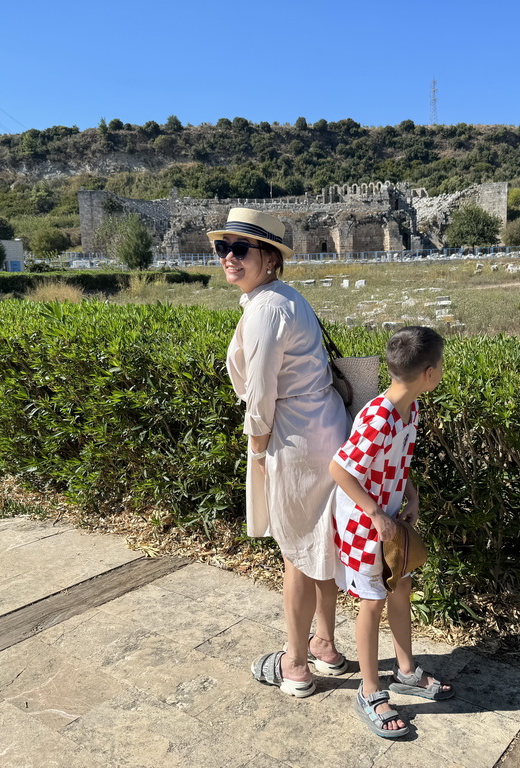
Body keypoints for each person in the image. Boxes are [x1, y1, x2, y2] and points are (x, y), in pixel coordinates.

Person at [210, 207, 350, 698]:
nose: (228, 257)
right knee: (322, 546)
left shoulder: (265, 308)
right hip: (326, 425)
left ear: (269, 258)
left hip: (294, 436)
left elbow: (261, 390)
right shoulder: (285, 297)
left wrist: (256, 447)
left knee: (296, 552)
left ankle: (294, 664)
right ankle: (325, 646)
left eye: (239, 249)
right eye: (222, 248)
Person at [329, 326, 454, 738]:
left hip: (391, 519)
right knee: (372, 603)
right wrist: (376, 514)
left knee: (401, 588)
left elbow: (398, 462)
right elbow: (341, 470)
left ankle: (405, 671)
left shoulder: (410, 409)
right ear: (430, 373)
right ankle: (369, 691)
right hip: (367, 526)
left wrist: (411, 493)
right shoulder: (380, 416)